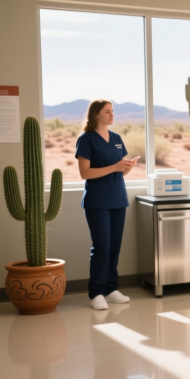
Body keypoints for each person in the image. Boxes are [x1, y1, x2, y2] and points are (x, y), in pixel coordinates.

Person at [75, 99, 139, 311]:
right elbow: (85, 172)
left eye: (113, 111)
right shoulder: (86, 139)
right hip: (97, 201)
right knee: (102, 246)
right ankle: (97, 292)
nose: (112, 115)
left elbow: (120, 171)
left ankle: (111, 289)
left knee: (114, 247)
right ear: (96, 115)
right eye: (107, 112)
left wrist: (126, 167)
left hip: (118, 199)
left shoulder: (117, 139)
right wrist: (114, 167)